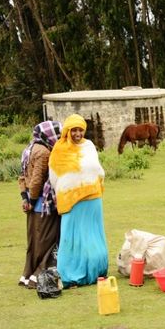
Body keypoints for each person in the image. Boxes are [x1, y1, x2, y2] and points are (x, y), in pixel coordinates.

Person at [48, 114, 108, 287]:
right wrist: (69, 189)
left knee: (94, 235)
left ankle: (96, 272)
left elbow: (98, 169)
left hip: (93, 198)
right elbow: (54, 178)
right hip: (71, 201)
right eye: (73, 130)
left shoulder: (89, 146)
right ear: (67, 131)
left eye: (80, 130)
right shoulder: (59, 150)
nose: (77, 133)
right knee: (71, 238)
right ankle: (70, 276)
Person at [18, 120, 62, 288]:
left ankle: (26, 274)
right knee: (47, 240)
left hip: (31, 202)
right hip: (43, 204)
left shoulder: (28, 149)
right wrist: (32, 200)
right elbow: (37, 180)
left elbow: (22, 176)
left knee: (34, 240)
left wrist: (25, 197)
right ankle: (38, 275)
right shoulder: (44, 152)